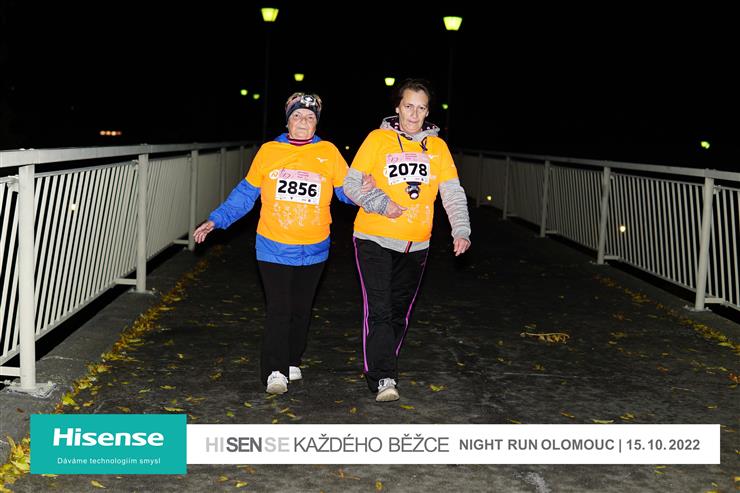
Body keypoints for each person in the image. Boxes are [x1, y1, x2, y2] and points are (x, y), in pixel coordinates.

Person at [193, 92, 370, 395]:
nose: (303, 121)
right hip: (273, 245)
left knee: (301, 309)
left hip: (315, 248)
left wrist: (365, 189)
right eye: (297, 116)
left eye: (310, 117)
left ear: (316, 123)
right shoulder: (269, 151)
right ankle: (274, 370)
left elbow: (345, 192)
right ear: (287, 121)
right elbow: (246, 193)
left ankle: (291, 359)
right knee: (279, 309)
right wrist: (216, 220)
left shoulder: (328, 152)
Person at [342, 78, 471, 402]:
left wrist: (461, 230)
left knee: (399, 312)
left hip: (417, 244)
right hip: (374, 237)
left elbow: (452, 193)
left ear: (428, 112)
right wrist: (381, 203)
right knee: (380, 310)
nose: (414, 114)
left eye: (421, 108)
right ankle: (384, 376)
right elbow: (350, 185)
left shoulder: (437, 148)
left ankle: (381, 360)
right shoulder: (377, 139)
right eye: (408, 106)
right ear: (397, 107)